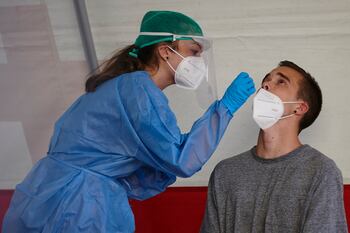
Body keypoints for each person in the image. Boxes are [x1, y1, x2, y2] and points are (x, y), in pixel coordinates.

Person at [2, 11, 255, 233]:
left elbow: (153, 165)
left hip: (54, 195)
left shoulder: (124, 86)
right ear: (165, 50)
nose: (198, 62)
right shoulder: (138, 90)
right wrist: (225, 108)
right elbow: (181, 159)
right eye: (193, 52)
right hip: (79, 206)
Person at [200, 60, 348, 233]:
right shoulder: (224, 173)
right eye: (266, 80)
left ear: (299, 108)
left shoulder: (321, 172)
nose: (265, 85)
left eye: (281, 82)